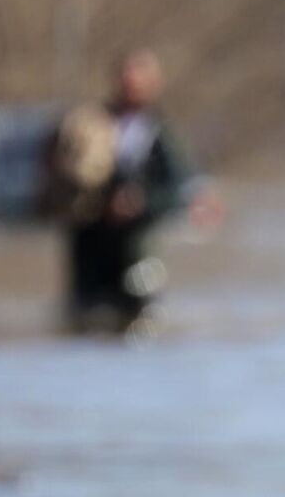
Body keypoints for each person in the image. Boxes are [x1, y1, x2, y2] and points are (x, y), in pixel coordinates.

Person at [42, 49, 204, 334]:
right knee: (86, 318)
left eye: (139, 79)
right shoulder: (89, 124)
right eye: (126, 78)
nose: (131, 85)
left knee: (140, 317)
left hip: (137, 244)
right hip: (91, 239)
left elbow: (179, 188)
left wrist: (140, 202)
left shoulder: (161, 133)